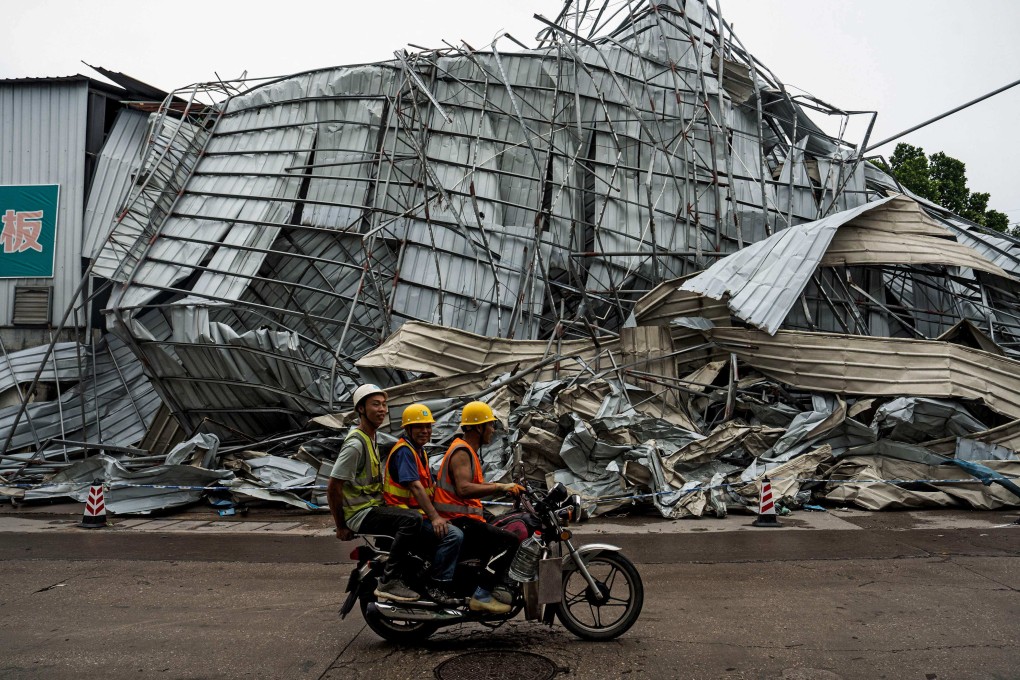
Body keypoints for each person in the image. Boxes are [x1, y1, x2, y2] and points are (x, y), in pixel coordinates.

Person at [326, 384, 424, 603]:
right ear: (361, 409)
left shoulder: (372, 437)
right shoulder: (356, 444)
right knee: (412, 521)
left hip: (372, 508)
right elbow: (333, 486)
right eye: (375, 404)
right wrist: (341, 526)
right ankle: (390, 580)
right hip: (361, 513)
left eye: (384, 404)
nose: (382, 409)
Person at [433, 400, 524, 614]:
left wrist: (505, 489)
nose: (492, 430)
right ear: (476, 427)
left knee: (502, 528)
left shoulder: (469, 451)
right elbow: (464, 489)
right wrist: (501, 486)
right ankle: (488, 592)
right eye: (489, 425)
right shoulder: (462, 452)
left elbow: (473, 487)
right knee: (510, 540)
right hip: (457, 519)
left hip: (465, 516)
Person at [382, 403, 464, 606]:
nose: (425, 431)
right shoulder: (404, 452)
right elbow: (416, 487)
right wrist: (436, 517)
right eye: (419, 427)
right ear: (408, 429)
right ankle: (437, 585)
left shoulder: (420, 452)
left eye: (428, 426)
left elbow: (430, 488)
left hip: (418, 514)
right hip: (406, 517)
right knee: (453, 536)